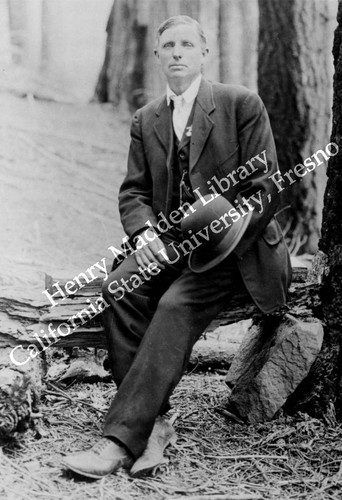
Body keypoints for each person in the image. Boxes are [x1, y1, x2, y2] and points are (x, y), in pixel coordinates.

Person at [63, 15, 291, 479]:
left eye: (188, 44)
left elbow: (267, 189)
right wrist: (146, 234)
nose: (178, 52)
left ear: (204, 52)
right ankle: (158, 423)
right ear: (158, 55)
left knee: (173, 305)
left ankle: (117, 439)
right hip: (171, 247)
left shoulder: (239, 104)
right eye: (169, 45)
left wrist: (221, 220)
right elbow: (134, 193)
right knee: (121, 285)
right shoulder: (146, 119)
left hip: (237, 250)